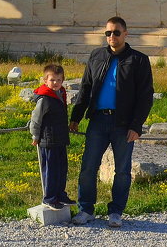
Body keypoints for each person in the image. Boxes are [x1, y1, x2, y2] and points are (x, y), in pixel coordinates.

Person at [69, 16, 154, 228]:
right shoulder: (96, 55)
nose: (112, 37)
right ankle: (86, 209)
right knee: (88, 167)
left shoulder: (139, 60)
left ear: (126, 34)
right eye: (108, 33)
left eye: (116, 32)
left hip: (123, 123)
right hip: (98, 120)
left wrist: (136, 126)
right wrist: (76, 117)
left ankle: (116, 211)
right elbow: (86, 87)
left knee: (122, 171)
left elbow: (145, 96)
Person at [28, 63, 75, 209]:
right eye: (52, 80)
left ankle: (60, 194)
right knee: (50, 170)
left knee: (62, 168)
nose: (56, 83)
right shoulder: (45, 98)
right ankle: (49, 198)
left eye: (59, 80)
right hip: (48, 140)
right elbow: (36, 118)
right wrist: (35, 135)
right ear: (45, 81)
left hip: (60, 138)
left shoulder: (60, 94)